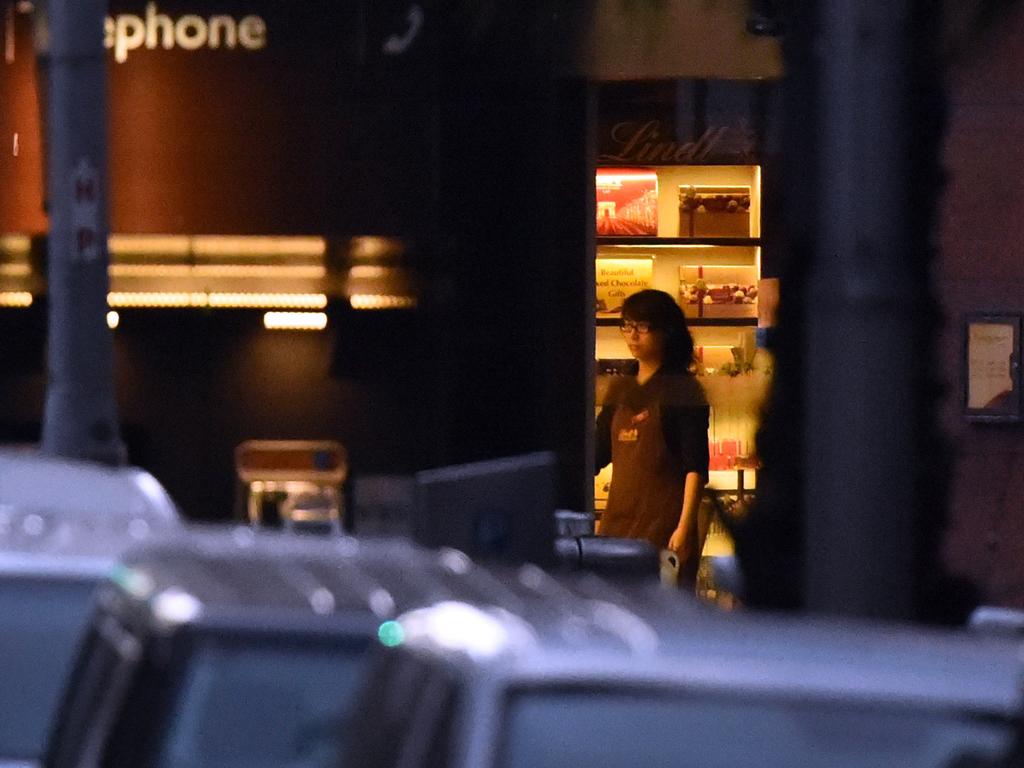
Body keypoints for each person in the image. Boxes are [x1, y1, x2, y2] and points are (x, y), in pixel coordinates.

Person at [595, 289, 710, 588]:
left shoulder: (682, 389)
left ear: (666, 332)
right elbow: (597, 452)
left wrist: (684, 527)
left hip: (664, 529)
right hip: (617, 527)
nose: (632, 335)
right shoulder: (621, 387)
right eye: (627, 325)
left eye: (643, 327)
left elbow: (694, 466)